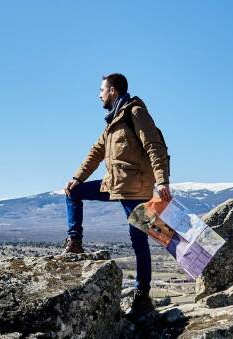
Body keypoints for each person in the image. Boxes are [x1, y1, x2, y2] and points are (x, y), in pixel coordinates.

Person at [64, 73, 171, 316]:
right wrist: (77, 178)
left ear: (113, 91)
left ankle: (141, 295)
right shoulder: (112, 124)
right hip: (116, 185)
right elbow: (95, 152)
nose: (99, 94)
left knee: (139, 241)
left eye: (101, 89)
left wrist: (162, 180)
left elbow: (154, 146)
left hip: (136, 188)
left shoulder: (135, 113)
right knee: (73, 192)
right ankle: (74, 242)